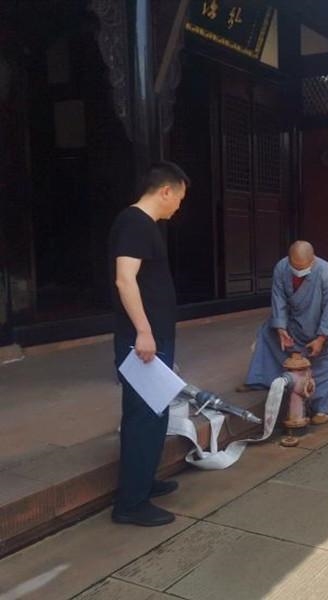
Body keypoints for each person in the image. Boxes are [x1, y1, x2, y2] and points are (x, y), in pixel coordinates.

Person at [109, 162, 189, 526]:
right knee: (143, 417)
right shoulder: (134, 223)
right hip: (141, 341)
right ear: (166, 191)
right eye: (180, 198)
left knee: (155, 412)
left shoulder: (146, 226)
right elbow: (125, 280)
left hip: (154, 340)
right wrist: (143, 331)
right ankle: (130, 504)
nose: (179, 207)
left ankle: (142, 482)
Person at [239, 241, 328, 423]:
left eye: (303, 268)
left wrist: (321, 338)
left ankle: (321, 410)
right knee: (267, 332)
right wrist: (281, 328)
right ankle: (261, 380)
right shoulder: (282, 267)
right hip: (293, 323)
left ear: (313, 260)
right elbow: (278, 298)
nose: (298, 271)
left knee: (324, 362)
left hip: (318, 326)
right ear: (288, 260)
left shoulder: (327, 273)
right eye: (294, 267)